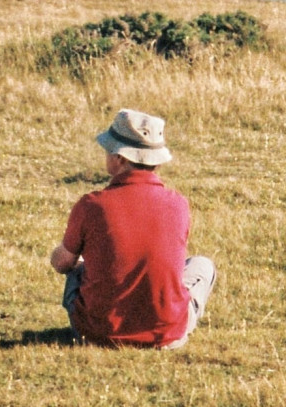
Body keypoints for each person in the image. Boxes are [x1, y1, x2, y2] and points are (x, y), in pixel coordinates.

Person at [49, 108, 215, 348]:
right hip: (166, 334)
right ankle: (172, 322)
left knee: (78, 272)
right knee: (202, 265)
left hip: (98, 333)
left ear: (120, 158)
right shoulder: (178, 204)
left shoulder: (91, 205)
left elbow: (61, 263)